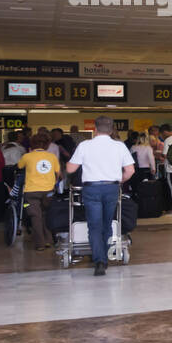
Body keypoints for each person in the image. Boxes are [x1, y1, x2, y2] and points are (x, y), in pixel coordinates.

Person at [65, 116, 134, 276]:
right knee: (107, 223)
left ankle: (100, 260)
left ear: (94, 129)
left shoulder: (84, 145)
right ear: (111, 130)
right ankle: (105, 254)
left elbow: (70, 169)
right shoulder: (119, 146)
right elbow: (130, 171)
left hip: (92, 189)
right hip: (111, 188)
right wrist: (119, 181)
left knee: (94, 226)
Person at [18, 133, 61, 251]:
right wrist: (53, 183)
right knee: (46, 215)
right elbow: (58, 174)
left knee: (35, 217)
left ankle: (40, 244)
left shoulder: (27, 156)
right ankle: (49, 240)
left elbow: (19, 166)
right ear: (47, 144)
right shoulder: (52, 157)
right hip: (48, 191)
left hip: (31, 191)